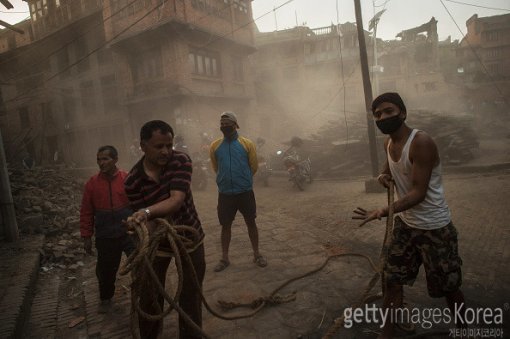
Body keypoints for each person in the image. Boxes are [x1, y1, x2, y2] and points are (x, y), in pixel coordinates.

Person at [353, 92, 466, 338]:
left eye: (389, 111)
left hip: (435, 227)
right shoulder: (388, 143)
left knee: (449, 287)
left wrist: (383, 211)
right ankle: (387, 335)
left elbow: (418, 193)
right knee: (391, 281)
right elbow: (389, 167)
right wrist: (383, 176)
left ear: (402, 113)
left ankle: (466, 330)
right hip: (405, 225)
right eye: (378, 115)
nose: (383, 117)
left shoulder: (421, 142)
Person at [124, 120, 205, 339]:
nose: (166, 151)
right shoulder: (132, 181)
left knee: (191, 297)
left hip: (189, 238)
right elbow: (145, 221)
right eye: (159, 146)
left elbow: (176, 200)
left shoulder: (181, 161)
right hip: (156, 245)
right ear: (143, 146)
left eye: (169, 145)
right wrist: (138, 225)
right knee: (149, 298)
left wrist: (145, 213)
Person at [209, 111, 267, 272]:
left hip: (245, 192)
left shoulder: (247, 144)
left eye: (227, 123)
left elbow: (253, 166)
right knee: (225, 225)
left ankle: (257, 254)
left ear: (235, 125)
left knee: (251, 222)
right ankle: (224, 258)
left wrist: (243, 179)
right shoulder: (214, 146)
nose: (224, 126)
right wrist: (225, 180)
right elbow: (216, 167)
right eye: (222, 124)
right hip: (225, 193)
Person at [79, 145, 134, 313]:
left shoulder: (127, 178)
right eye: (99, 159)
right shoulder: (92, 184)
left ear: (115, 159)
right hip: (105, 236)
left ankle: (143, 294)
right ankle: (106, 298)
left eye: (105, 159)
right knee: (105, 271)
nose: (101, 163)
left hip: (129, 233)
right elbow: (86, 211)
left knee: (140, 263)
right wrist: (86, 236)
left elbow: (138, 204)